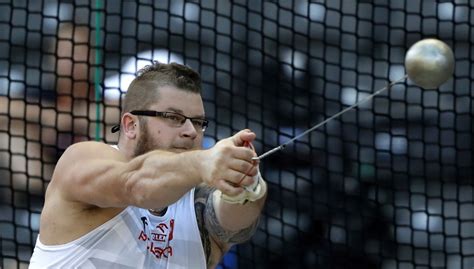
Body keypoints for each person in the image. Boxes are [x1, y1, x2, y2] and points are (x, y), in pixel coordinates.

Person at [29, 62, 267, 268]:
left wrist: (246, 182)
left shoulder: (198, 196)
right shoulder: (85, 158)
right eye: (174, 117)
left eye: (198, 122)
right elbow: (136, 185)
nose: (190, 131)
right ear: (131, 125)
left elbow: (235, 221)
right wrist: (203, 161)